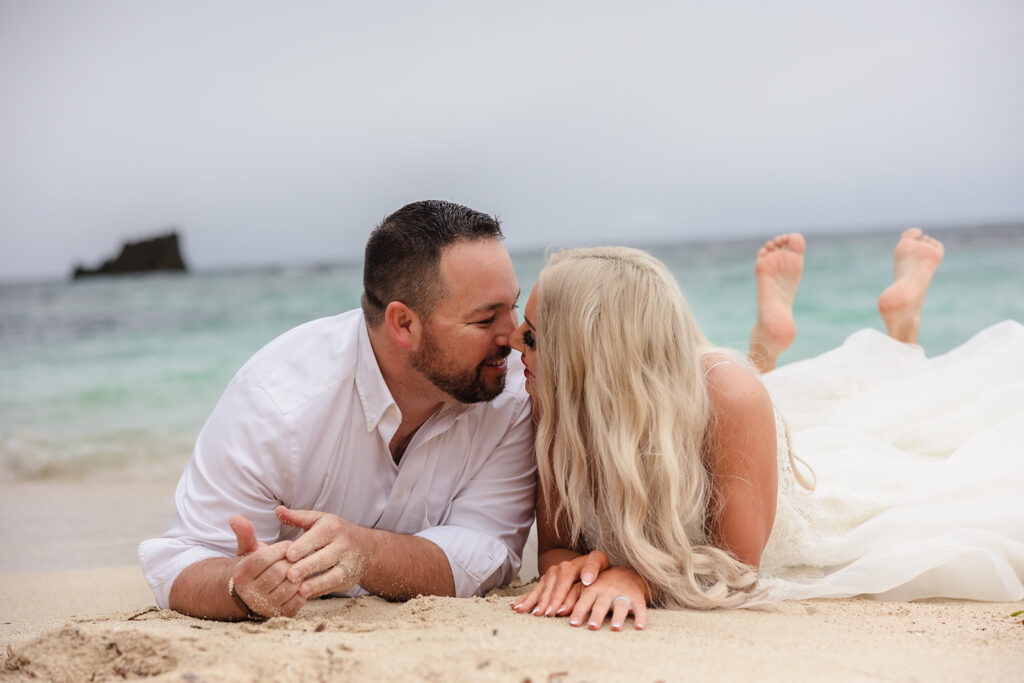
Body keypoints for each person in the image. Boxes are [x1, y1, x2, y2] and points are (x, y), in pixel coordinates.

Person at [510, 229, 1024, 631]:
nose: (513, 341)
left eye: (532, 335)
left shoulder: (729, 397)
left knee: (886, 417)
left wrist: (639, 578)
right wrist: (569, 571)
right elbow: (557, 544)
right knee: (803, 400)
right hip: (685, 411)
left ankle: (902, 330)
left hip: (779, 500)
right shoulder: (552, 398)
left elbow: (738, 566)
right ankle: (770, 343)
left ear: (589, 356)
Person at [139, 200, 536, 620]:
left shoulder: (512, 389)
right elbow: (183, 564)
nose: (512, 336)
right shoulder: (276, 404)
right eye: (485, 319)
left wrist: (365, 553)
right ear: (403, 325)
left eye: (513, 306)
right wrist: (239, 587)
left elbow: (488, 552)